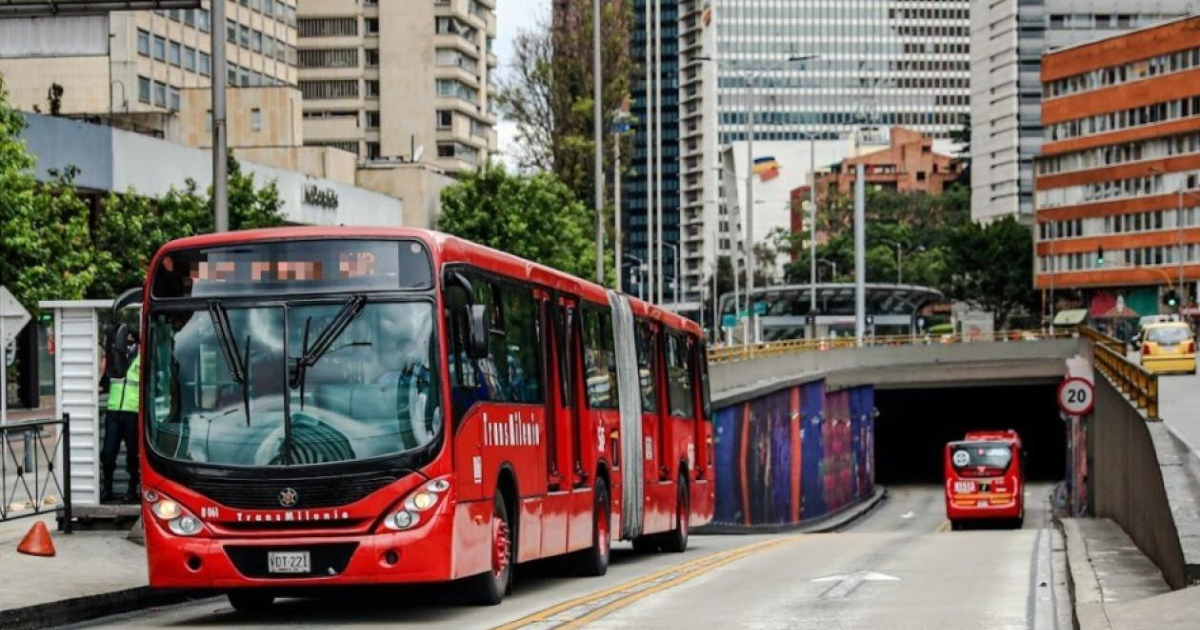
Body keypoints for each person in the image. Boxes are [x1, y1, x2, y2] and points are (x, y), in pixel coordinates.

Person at [101, 337, 140, 504]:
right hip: (113, 412)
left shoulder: (143, 356)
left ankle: (132, 490)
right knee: (108, 454)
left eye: (131, 341)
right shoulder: (115, 357)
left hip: (133, 412)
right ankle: (107, 490)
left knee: (134, 455)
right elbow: (104, 383)